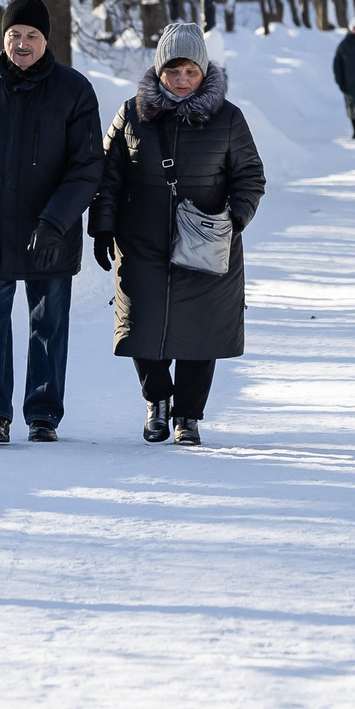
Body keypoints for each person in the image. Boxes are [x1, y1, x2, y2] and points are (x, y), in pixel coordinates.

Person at [0, 0, 103, 445]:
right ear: (3, 37)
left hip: (51, 230)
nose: (22, 43)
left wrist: (55, 221)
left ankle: (43, 415)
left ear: (46, 40)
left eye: (31, 35)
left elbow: (87, 167)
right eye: (14, 35)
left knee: (48, 324)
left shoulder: (74, 90)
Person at [91, 22, 266, 446]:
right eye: (173, 72)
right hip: (141, 240)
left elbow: (250, 177)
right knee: (140, 326)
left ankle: (188, 415)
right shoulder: (132, 114)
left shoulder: (228, 118)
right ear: (158, 70)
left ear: (204, 71)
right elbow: (107, 176)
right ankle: (158, 403)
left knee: (201, 330)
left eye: (191, 71)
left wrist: (231, 220)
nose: (183, 81)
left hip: (205, 243)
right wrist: (102, 227)